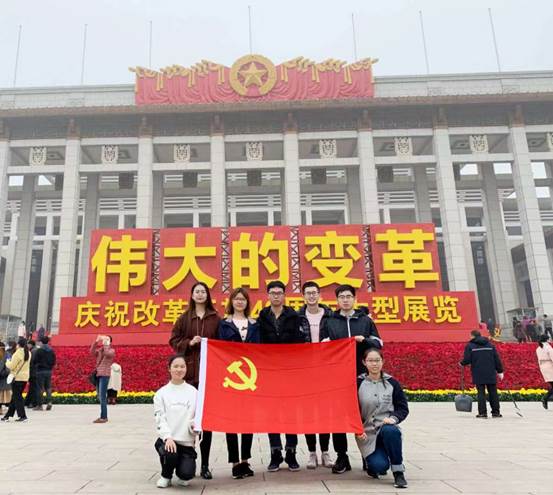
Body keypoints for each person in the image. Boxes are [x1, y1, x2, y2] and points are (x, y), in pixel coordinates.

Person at [320, 284, 383, 474]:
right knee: (338, 418)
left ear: (354, 299)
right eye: (342, 297)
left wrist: (363, 340)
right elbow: (323, 345)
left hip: (362, 376)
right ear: (337, 300)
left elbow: (379, 343)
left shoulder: (365, 320)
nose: (345, 300)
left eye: (348, 296)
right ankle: (342, 456)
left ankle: (367, 455)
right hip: (337, 377)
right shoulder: (330, 321)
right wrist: (337, 344)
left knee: (365, 416)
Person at [169, 281, 221, 480]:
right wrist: (189, 343)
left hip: (209, 376)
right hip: (189, 376)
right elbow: (173, 340)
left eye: (203, 292)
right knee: (186, 419)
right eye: (196, 291)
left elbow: (222, 342)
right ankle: (185, 459)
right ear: (192, 295)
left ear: (207, 295)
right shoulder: (184, 318)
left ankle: (205, 464)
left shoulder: (215, 318)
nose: (200, 295)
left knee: (206, 422)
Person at [258, 280, 305, 472]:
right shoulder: (262, 316)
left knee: (291, 413)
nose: (276, 296)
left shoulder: (293, 316)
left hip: (289, 372)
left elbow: (299, 343)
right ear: (268, 295)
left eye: (279, 293)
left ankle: (291, 452)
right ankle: (275, 453)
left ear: (284, 296)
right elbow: (259, 344)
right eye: (273, 293)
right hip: (270, 373)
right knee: (272, 413)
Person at [218, 287, 259, 479]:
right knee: (231, 421)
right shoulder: (224, 324)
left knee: (248, 421)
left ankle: (245, 460)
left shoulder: (254, 324)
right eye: (237, 299)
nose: (240, 302)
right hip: (231, 377)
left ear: (247, 302)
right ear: (231, 302)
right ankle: (235, 462)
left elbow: (260, 348)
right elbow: (219, 348)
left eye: (243, 299)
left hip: (250, 375)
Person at [356, 348, 409, 489]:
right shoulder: (358, 383)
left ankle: (398, 471)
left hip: (386, 428)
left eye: (377, 360)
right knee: (379, 466)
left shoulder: (392, 383)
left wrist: (394, 418)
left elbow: (403, 408)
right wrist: (357, 428)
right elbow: (351, 409)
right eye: (370, 361)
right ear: (364, 362)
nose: (374, 364)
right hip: (367, 433)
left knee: (391, 431)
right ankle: (374, 461)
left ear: (383, 361)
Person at [297, 281, 334, 469]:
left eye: (314, 293)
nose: (311, 296)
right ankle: (312, 452)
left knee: (325, 412)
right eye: (308, 293)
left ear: (320, 295)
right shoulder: (297, 317)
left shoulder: (330, 316)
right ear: (303, 296)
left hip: (325, 370)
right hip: (305, 371)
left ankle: (325, 452)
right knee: (309, 413)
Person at [154, 354, 198, 489]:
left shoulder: (193, 392)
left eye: (182, 366)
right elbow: (160, 418)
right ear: (169, 368)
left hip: (186, 442)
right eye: (176, 366)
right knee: (170, 453)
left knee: (186, 474)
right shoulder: (161, 393)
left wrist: (194, 427)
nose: (179, 370)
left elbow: (196, 417)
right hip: (169, 440)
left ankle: (181, 471)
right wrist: (168, 437)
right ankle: (166, 476)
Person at [460, 330, 504, 418]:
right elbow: (496, 359)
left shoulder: (470, 346)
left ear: (472, 336)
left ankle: (482, 413)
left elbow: (467, 359)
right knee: (493, 392)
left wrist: (461, 363)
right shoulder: (490, 345)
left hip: (478, 372)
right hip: (490, 372)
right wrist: (500, 371)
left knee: (481, 393)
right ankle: (496, 412)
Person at [1, 337, 31, 422]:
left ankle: (23, 416)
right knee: (15, 396)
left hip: (17, 378)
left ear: (18, 344)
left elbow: (11, 366)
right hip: (25, 378)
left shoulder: (17, 353)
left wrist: (7, 362)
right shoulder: (28, 353)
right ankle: (7, 416)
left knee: (17, 397)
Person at [90, 334, 115, 423]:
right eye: (104, 340)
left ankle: (103, 417)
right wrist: (97, 341)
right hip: (98, 375)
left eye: (107, 340)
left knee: (102, 396)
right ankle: (103, 416)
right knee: (100, 396)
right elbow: (92, 352)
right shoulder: (100, 350)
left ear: (110, 342)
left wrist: (106, 344)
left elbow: (107, 353)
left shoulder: (111, 350)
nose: (104, 341)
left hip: (104, 375)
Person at [33, 336, 56, 411]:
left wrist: (36, 365)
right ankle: (49, 402)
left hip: (40, 371)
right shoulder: (51, 350)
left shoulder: (39, 351)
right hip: (49, 371)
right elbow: (54, 361)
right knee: (48, 387)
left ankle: (40, 405)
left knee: (40, 388)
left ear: (41, 342)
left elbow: (35, 360)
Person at [536, 335, 553, 409]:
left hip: (544, 367)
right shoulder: (548, 348)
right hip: (550, 367)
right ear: (547, 340)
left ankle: (546, 398)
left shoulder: (538, 348)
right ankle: (545, 398)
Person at [24, 340, 38, 408]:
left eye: (28, 344)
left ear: (31, 344)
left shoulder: (33, 351)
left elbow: (31, 362)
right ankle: (27, 402)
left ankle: (33, 403)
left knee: (33, 388)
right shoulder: (35, 350)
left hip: (33, 372)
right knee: (32, 387)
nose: (27, 346)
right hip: (35, 372)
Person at [0, 342, 12, 415]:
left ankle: (8, 411)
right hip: (3, 378)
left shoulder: (7, 355)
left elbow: (9, 367)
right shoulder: (8, 354)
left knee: (6, 396)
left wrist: (3, 373)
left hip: (4, 378)